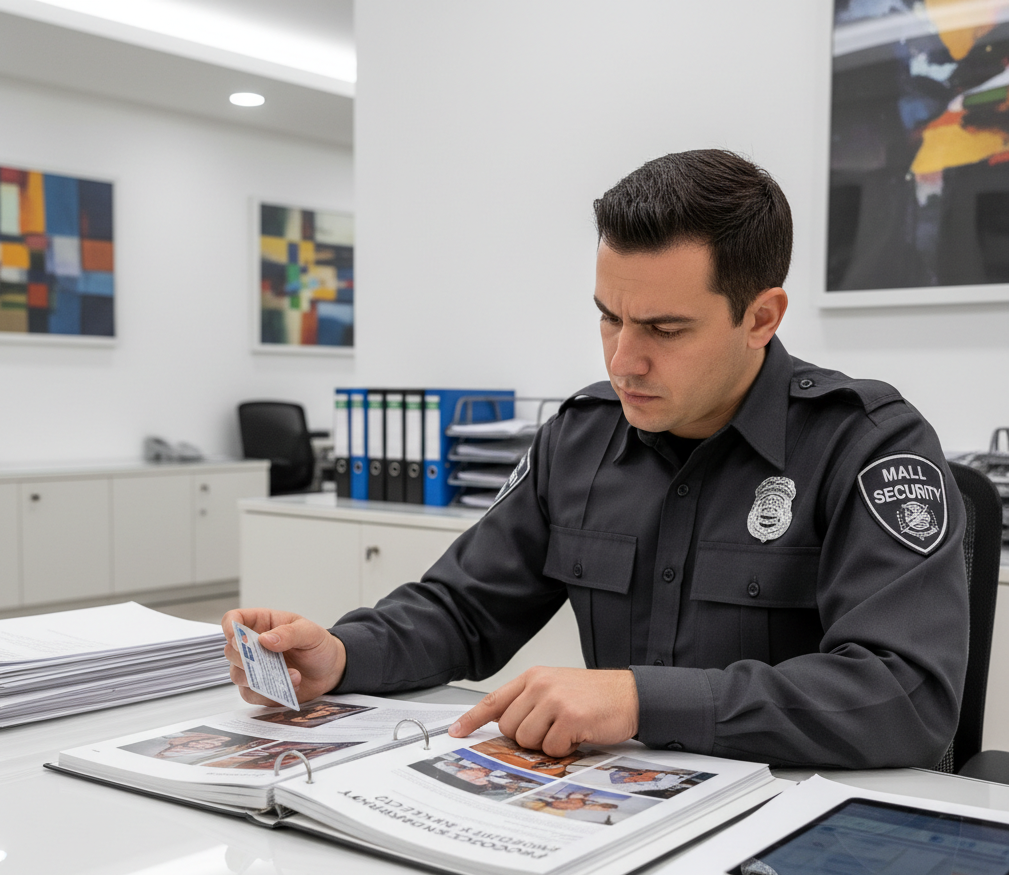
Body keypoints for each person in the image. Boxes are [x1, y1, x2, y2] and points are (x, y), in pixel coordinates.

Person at [223, 149, 968, 769]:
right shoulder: (580, 436)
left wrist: (640, 698)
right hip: (615, 818)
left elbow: (905, 694)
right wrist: (342, 655)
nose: (623, 361)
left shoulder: (866, 444)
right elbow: (464, 609)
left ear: (760, 318)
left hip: (796, 827)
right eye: (608, 318)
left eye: (664, 329)